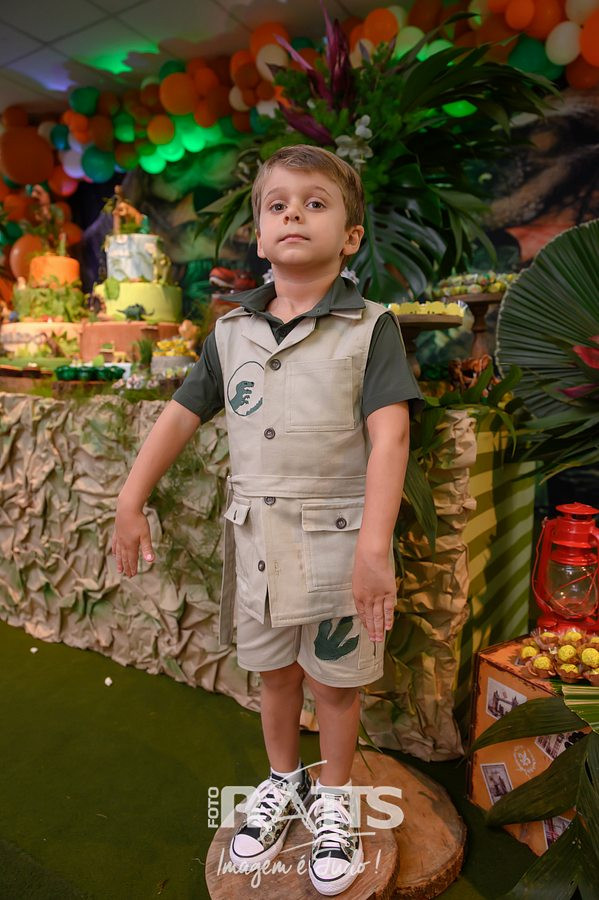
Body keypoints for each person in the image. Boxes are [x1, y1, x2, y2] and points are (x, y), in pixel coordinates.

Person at [112, 145, 422, 895]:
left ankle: (334, 800)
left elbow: (390, 437)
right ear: (258, 234)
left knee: (336, 686)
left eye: (315, 203)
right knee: (275, 676)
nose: (293, 215)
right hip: (258, 546)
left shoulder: (370, 327)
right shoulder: (230, 333)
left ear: (350, 236)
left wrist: (375, 548)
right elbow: (180, 416)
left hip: (339, 547)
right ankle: (285, 780)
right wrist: (129, 498)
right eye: (278, 204)